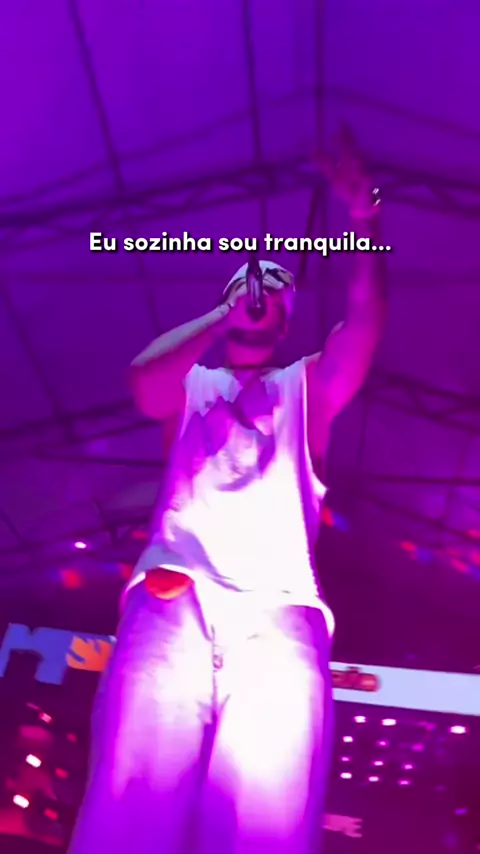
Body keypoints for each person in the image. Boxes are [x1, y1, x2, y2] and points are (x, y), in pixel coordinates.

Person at [69, 129, 386, 854]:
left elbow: (365, 326)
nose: (262, 289)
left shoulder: (305, 386)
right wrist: (222, 316)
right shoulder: (192, 383)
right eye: (250, 280)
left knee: (266, 823)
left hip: (280, 612)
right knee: (130, 809)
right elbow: (141, 381)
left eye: (276, 285)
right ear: (227, 299)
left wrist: (365, 219)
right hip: (175, 597)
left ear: (287, 317)